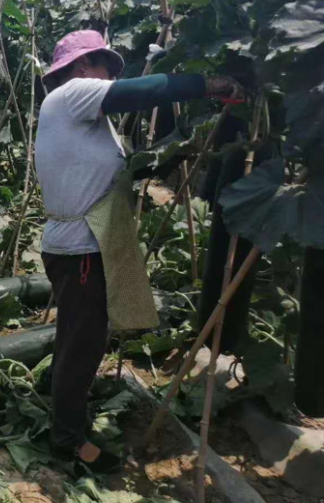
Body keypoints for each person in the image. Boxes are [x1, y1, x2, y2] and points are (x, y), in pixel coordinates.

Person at [34, 30, 243, 474]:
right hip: (81, 249)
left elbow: (121, 167)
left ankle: (60, 399)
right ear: (83, 66)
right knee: (83, 343)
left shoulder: (78, 113)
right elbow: (141, 91)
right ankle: (67, 440)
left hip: (86, 244)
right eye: (106, 67)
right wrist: (208, 85)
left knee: (80, 333)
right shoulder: (73, 93)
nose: (111, 77)